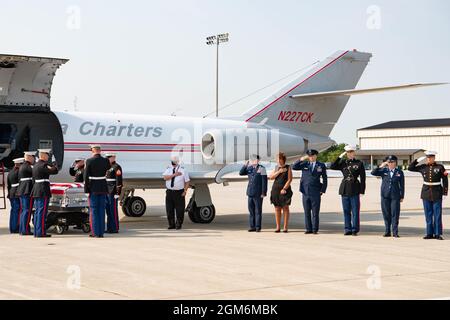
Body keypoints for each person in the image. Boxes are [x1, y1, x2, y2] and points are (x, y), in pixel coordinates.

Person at [408, 151, 448, 240]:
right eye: (428, 157)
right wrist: (417, 160)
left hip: (437, 192)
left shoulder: (440, 167)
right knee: (428, 214)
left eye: (431, 157)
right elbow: (410, 168)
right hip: (426, 193)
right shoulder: (423, 167)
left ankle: (438, 234)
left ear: (434, 158)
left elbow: (445, 180)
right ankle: (429, 233)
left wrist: (445, 192)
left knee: (437, 214)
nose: (429, 159)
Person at [330, 145, 366, 236]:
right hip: (345, 189)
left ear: (354, 152)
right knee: (346, 211)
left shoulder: (359, 163)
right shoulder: (343, 163)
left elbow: (363, 178)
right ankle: (347, 229)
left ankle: (355, 229)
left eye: (351, 152)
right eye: (348, 152)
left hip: (355, 189)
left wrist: (362, 191)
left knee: (355, 211)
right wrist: (339, 157)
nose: (349, 154)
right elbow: (332, 166)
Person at [292, 149, 328, 234]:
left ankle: (315, 229)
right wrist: (301, 159)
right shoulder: (304, 164)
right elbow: (294, 167)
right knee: (307, 212)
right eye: (309, 156)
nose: (311, 157)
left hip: (316, 191)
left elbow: (325, 179)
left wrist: (322, 190)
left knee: (315, 212)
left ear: (316, 156)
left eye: (312, 155)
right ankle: (308, 229)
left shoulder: (321, 165)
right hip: (305, 191)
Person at [371, 155, 405, 238]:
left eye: (392, 162)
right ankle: (387, 231)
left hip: (395, 196)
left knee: (395, 214)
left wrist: (402, 196)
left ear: (395, 163)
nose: (390, 164)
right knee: (386, 214)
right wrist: (381, 166)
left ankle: (395, 232)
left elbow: (402, 185)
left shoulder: (399, 172)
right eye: (389, 162)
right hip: (385, 195)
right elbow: (373, 173)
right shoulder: (383, 171)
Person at [83, 145, 111, 238]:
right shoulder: (106, 160)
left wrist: (86, 190)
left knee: (93, 211)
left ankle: (95, 232)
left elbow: (86, 176)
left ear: (93, 150)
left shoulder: (89, 161)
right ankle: (101, 232)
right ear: (100, 150)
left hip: (93, 187)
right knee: (101, 210)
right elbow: (107, 170)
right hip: (103, 187)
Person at [31, 149, 59, 237]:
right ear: (43, 155)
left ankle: (36, 231)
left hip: (36, 190)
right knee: (42, 212)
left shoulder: (35, 165)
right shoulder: (43, 165)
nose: (48, 157)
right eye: (47, 155)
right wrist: (54, 163)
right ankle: (41, 232)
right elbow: (55, 171)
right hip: (43, 190)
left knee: (37, 212)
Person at [239, 155, 268, 232]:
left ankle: (258, 227)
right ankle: (252, 226)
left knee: (258, 211)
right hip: (250, 193)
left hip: (258, 193)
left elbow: (264, 182)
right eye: (252, 160)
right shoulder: (250, 168)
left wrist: (264, 193)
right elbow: (241, 173)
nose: (253, 161)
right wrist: (245, 165)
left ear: (258, 160)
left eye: (255, 160)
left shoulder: (262, 169)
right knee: (251, 211)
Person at [163, 156, 190, 230]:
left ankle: (179, 224)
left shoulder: (183, 170)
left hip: (179, 192)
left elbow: (187, 181)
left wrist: (185, 191)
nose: (173, 163)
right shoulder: (169, 169)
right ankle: (171, 224)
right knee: (169, 209)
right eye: (172, 162)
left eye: (174, 162)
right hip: (169, 192)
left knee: (180, 210)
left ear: (177, 162)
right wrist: (174, 175)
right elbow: (165, 178)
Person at [269, 152, 293, 233]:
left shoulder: (288, 167)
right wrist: (279, 171)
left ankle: (285, 227)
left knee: (285, 208)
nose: (278, 161)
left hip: (284, 190)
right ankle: (278, 227)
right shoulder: (276, 168)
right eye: (277, 159)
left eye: (280, 159)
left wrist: (284, 188)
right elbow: (271, 177)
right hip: (275, 190)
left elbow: (290, 179)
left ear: (283, 160)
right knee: (277, 208)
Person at [16, 151, 36, 236]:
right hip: (26, 191)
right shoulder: (28, 166)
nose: (34, 159)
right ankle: (25, 230)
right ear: (29, 157)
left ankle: (22, 229)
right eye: (33, 157)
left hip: (22, 190)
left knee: (24, 211)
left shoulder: (22, 166)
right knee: (27, 210)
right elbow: (36, 171)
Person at [105, 153, 123, 233]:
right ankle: (109, 228)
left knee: (113, 211)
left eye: (109, 157)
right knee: (108, 211)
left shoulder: (116, 167)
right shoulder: (106, 166)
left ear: (114, 157)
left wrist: (117, 193)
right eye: (107, 157)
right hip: (106, 190)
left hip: (113, 191)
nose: (108, 158)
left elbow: (119, 181)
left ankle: (115, 228)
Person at [7, 158, 24, 233]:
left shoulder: (10, 172)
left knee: (13, 211)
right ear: (19, 164)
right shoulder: (19, 172)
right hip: (17, 192)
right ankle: (16, 227)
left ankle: (12, 228)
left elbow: (8, 185)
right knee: (18, 211)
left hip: (11, 193)